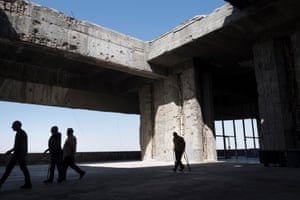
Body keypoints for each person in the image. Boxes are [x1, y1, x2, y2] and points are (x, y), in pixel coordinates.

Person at [0, 121, 32, 189]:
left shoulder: (20, 133)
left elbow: (18, 146)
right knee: (24, 169)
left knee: (9, 169)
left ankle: (0, 183)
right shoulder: (21, 133)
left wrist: (11, 151)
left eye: (13, 126)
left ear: (17, 126)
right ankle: (28, 183)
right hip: (20, 154)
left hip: (18, 154)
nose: (12, 127)